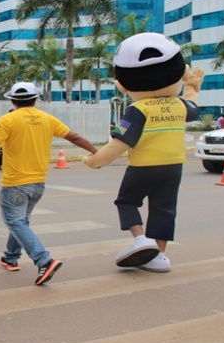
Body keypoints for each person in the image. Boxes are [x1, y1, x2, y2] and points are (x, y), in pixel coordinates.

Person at [83, 32, 204, 273]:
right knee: (164, 209)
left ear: (123, 84)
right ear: (181, 72)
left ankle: (141, 240)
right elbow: (193, 106)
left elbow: (120, 144)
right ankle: (159, 256)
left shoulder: (138, 109)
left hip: (144, 166)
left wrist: (94, 161)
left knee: (126, 201)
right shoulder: (178, 105)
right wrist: (191, 87)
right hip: (174, 166)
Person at [0, 82, 98, 286]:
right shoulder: (48, 119)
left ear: (12, 100)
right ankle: (10, 257)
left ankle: (44, 260)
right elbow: (74, 137)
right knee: (21, 221)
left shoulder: (8, 119)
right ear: (36, 99)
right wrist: (98, 153)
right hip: (38, 183)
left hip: (15, 183)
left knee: (14, 221)